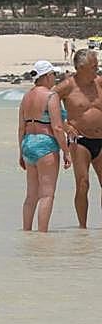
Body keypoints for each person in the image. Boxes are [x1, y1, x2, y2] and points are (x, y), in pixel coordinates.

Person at [19, 61, 71, 232]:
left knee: (31, 195)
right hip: (45, 144)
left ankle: (26, 231)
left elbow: (21, 127)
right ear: (47, 76)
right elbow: (57, 127)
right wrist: (66, 151)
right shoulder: (51, 96)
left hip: (28, 143)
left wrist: (21, 152)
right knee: (47, 194)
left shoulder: (26, 97)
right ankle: (42, 234)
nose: (55, 79)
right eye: (53, 75)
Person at [53, 48, 102, 228]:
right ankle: (83, 228)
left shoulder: (99, 82)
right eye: (93, 66)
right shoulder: (67, 86)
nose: (97, 69)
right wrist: (65, 125)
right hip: (79, 139)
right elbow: (48, 103)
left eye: (97, 65)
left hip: (101, 138)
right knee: (83, 184)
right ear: (80, 67)